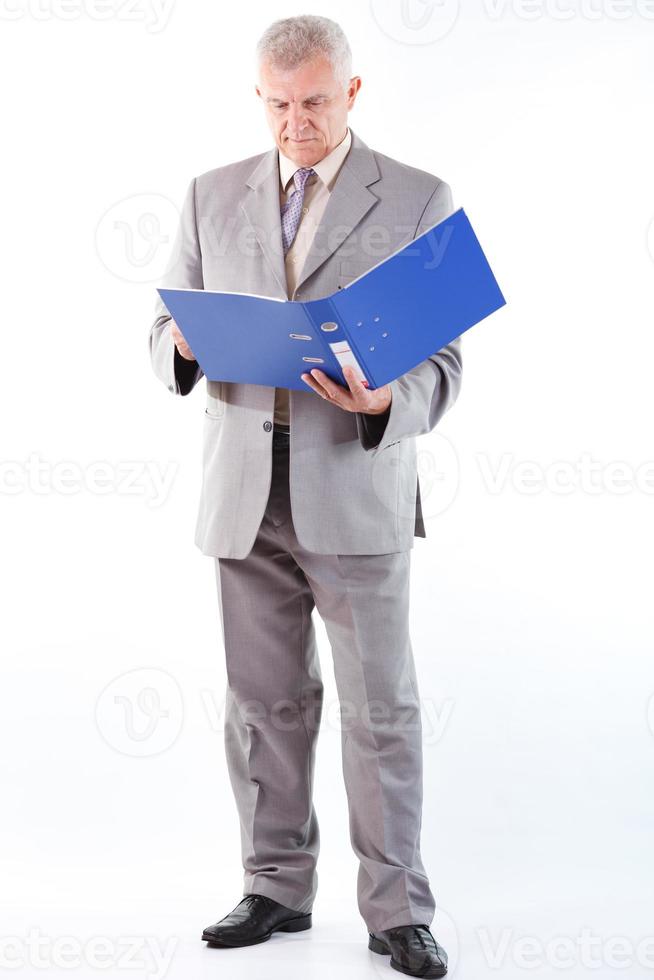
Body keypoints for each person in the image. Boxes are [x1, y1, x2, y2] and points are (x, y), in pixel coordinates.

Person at [149, 14, 462, 978]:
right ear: (259, 98)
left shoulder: (416, 198)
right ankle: (276, 886)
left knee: (381, 710)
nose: (296, 123)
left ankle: (397, 908)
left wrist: (386, 397)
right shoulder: (210, 195)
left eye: (316, 102)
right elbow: (161, 334)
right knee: (264, 705)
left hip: (355, 487)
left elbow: (445, 363)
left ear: (354, 94)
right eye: (279, 104)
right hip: (244, 492)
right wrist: (183, 347)